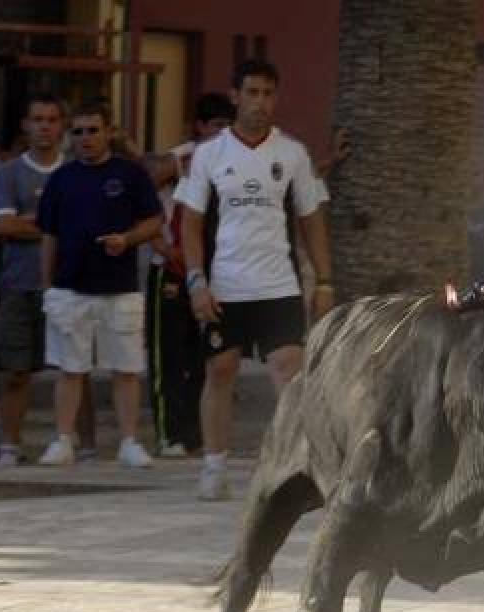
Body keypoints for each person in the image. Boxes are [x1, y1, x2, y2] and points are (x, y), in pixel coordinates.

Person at [177, 59, 334, 501]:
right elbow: (190, 223)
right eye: (252, 93)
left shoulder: (293, 154)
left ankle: (292, 469)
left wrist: (324, 282)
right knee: (221, 370)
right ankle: (214, 466)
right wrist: (196, 282)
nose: (260, 102)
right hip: (225, 285)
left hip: (279, 285)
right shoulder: (208, 155)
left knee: (289, 372)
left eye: (268, 94)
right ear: (235, 96)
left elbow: (311, 220)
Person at [35, 100, 163, 468]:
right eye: (78, 132)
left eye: (93, 130)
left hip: (120, 288)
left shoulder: (131, 174)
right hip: (69, 288)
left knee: (125, 369)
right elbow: (48, 236)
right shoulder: (60, 178)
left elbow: (154, 223)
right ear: (70, 136)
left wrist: (126, 239)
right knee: (70, 369)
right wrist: (48, 289)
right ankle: (63, 441)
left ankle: (129, 442)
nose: (86, 138)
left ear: (108, 131)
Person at [0, 95, 97, 468]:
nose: (44, 126)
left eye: (52, 119)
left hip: (73, 284)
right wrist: (58, 224)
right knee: (15, 370)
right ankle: (9, 446)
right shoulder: (8, 172)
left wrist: (34, 222)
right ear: (26, 125)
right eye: (37, 119)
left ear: (61, 126)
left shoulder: (78, 170)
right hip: (19, 283)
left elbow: (89, 226)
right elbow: (3, 225)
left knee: (75, 367)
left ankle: (84, 445)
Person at [144, 92, 235, 458]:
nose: (222, 132)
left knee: (208, 356)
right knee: (168, 357)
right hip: (169, 267)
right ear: (200, 127)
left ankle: (197, 436)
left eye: (228, 126)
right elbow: (147, 180)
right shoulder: (185, 156)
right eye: (216, 126)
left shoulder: (236, 160)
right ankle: (170, 435)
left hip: (213, 270)